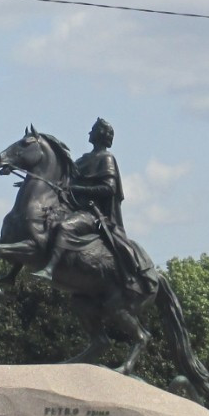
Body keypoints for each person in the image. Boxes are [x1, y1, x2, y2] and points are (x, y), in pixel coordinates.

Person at [70, 118, 148, 296]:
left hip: (97, 214)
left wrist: (77, 188)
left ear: (100, 135)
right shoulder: (84, 159)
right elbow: (65, 179)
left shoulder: (106, 158)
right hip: (77, 208)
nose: (89, 133)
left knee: (65, 228)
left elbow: (109, 188)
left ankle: (130, 273)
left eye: (93, 130)